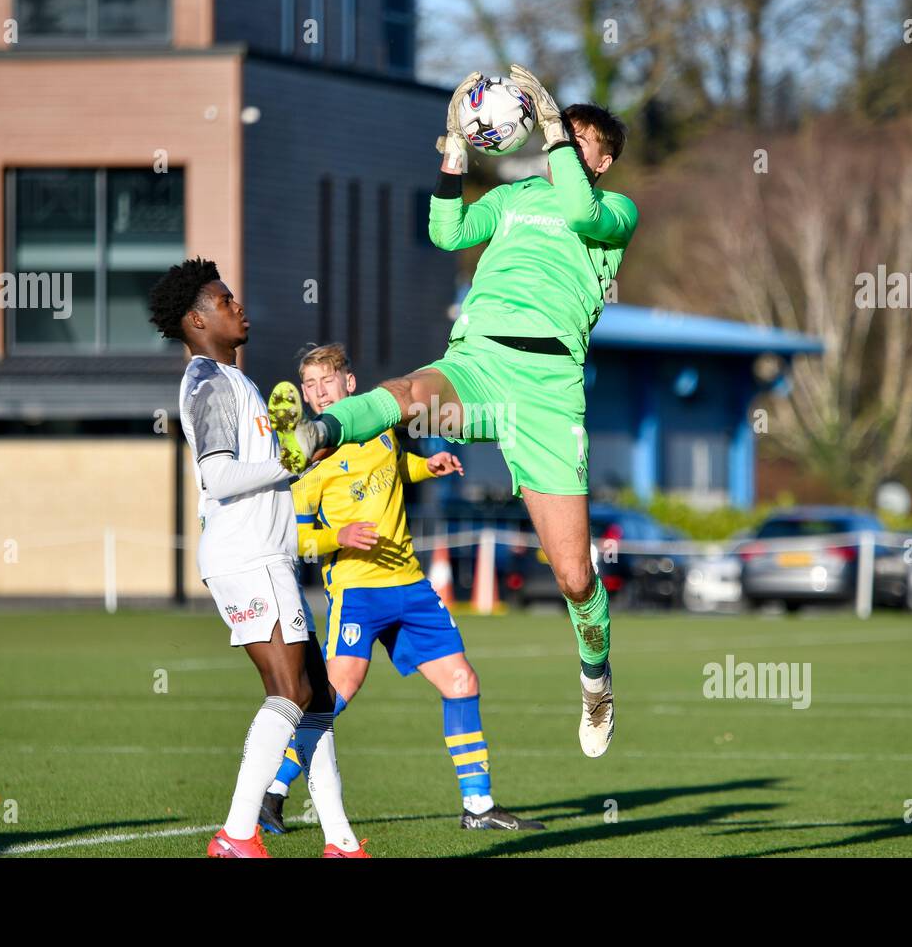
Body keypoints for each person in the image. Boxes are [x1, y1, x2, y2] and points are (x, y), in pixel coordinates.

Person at [268, 65, 638, 758]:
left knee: (574, 576)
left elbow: (583, 212)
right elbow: (447, 231)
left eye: (583, 140)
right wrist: (451, 157)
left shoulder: (614, 211)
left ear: (603, 160)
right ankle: (317, 430)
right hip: (480, 361)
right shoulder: (515, 193)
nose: (570, 145)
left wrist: (552, 121)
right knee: (407, 394)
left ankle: (596, 678)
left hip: (548, 387)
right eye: (567, 133)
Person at [259, 343, 544, 833]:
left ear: (350, 385)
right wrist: (338, 536)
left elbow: (394, 465)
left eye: (326, 380)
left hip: (411, 586)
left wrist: (426, 467)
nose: (317, 392)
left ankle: (478, 806)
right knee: (337, 690)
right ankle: (273, 792)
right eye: (309, 385)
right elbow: (293, 537)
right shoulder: (308, 462)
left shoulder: (381, 428)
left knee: (462, 683)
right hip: (357, 591)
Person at [148, 257, 368, 858]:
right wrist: (294, 457)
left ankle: (341, 843)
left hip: (267, 556)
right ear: (196, 319)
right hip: (247, 558)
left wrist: (291, 456)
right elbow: (217, 477)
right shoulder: (208, 382)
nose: (237, 306)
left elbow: (263, 477)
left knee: (316, 696)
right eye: (224, 300)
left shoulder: (235, 379)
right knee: (292, 694)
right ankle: (238, 834)